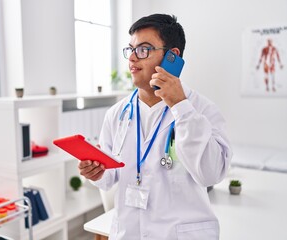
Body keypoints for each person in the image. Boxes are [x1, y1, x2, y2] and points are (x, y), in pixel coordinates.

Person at [78, 14, 232, 240]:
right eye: (130, 49)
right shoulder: (117, 114)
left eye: (143, 49)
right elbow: (109, 179)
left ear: (172, 56)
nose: (132, 58)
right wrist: (96, 173)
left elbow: (211, 174)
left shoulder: (202, 110)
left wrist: (181, 106)